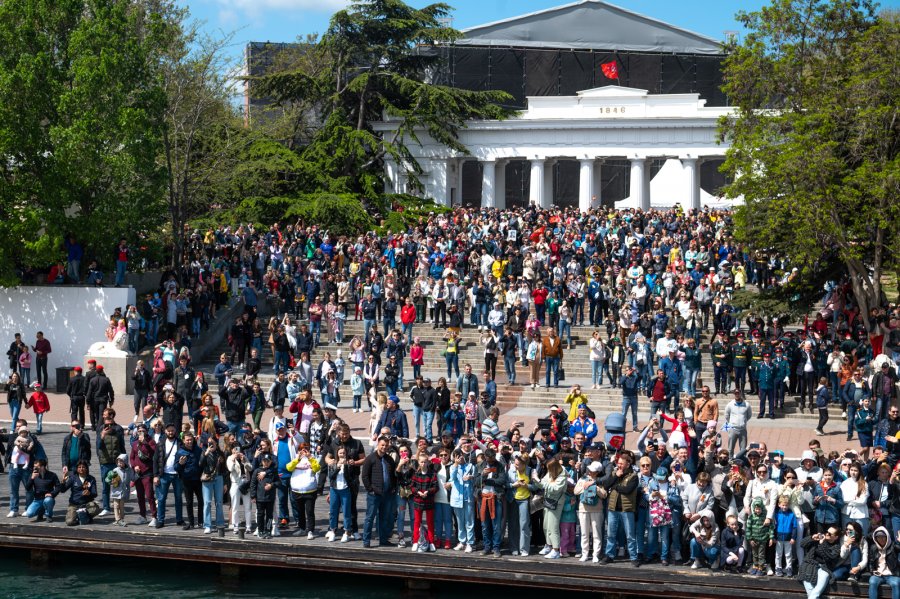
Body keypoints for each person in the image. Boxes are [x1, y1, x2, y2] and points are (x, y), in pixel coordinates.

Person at [600, 452, 640, 566]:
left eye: (622, 463)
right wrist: (616, 477)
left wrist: (615, 486)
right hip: (613, 508)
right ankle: (609, 555)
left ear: (628, 464)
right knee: (611, 534)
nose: (619, 465)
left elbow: (628, 490)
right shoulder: (614, 473)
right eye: (618, 463)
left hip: (627, 509)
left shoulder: (633, 476)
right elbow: (606, 485)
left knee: (630, 535)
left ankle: (633, 557)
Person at [361, 435, 397, 548]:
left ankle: (383, 539)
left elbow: (393, 475)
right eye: (382, 445)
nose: (384, 447)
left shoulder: (389, 459)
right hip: (374, 494)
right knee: (370, 517)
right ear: (378, 444)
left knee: (384, 518)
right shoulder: (370, 458)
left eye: (386, 445)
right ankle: (366, 540)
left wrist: (393, 488)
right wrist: (370, 489)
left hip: (387, 494)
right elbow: (365, 476)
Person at [574, 460, 607, 562]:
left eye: (592, 470)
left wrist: (594, 487)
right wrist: (585, 486)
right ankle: (585, 553)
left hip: (597, 509)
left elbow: (604, 494)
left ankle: (595, 555)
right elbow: (575, 491)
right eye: (589, 469)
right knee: (584, 533)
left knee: (597, 534)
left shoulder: (600, 480)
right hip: (583, 509)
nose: (589, 471)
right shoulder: (583, 478)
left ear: (597, 472)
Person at [798, 526, 842, 599]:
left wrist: (822, 544)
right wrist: (812, 538)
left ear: (836, 537)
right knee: (808, 580)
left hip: (824, 568)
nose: (827, 534)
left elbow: (829, 557)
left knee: (824, 578)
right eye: (827, 532)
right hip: (809, 565)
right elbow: (802, 544)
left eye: (830, 534)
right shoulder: (818, 539)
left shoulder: (836, 547)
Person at [410, 451, 439, 552]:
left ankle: (431, 542)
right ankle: (415, 542)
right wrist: (418, 492)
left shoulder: (432, 474)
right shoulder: (416, 473)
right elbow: (412, 486)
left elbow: (436, 487)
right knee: (417, 522)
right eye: (421, 462)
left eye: (425, 462)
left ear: (428, 462)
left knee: (430, 522)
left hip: (429, 500)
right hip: (418, 500)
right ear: (418, 462)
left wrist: (428, 491)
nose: (423, 464)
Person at [450, 448, 476, 552]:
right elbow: (452, 478)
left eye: (461, 455)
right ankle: (462, 542)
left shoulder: (470, 466)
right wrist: (456, 465)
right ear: (454, 458)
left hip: (468, 498)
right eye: (457, 456)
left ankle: (470, 543)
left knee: (469, 522)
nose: (460, 457)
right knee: (460, 522)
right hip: (457, 499)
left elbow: (476, 479)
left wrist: (471, 477)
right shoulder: (453, 467)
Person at [59, 460, 100, 526]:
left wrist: (89, 493)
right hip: (74, 504)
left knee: (95, 509)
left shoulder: (91, 479)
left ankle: (86, 517)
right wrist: (63, 482)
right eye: (79, 467)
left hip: (86, 504)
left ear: (86, 468)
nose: (81, 469)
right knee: (69, 522)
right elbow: (62, 490)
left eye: (83, 467)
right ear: (77, 469)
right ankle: (79, 517)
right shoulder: (73, 478)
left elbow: (95, 493)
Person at [250, 453, 277, 539]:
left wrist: (271, 485)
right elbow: (253, 484)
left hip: (270, 498)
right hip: (260, 498)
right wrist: (253, 496)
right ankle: (260, 530)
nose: (266, 463)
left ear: (270, 462)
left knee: (269, 516)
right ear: (262, 461)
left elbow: (279, 482)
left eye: (268, 461)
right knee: (260, 515)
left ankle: (268, 531)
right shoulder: (257, 471)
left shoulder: (273, 471)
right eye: (264, 461)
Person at [868, 526, 900, 599]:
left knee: (896, 583)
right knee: (872, 581)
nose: (881, 539)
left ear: (887, 537)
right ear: (875, 538)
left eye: (883, 537)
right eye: (878, 537)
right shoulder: (873, 548)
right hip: (879, 575)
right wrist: (872, 571)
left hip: (892, 574)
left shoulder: (893, 545)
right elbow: (871, 562)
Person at [106, 453, 132, 526]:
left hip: (123, 491)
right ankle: (117, 519)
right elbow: (108, 479)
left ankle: (121, 518)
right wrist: (111, 481)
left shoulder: (128, 470)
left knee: (121, 506)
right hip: (116, 491)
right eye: (118, 462)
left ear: (126, 462)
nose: (119, 463)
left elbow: (133, 477)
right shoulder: (115, 470)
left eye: (121, 462)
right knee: (116, 505)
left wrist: (138, 473)